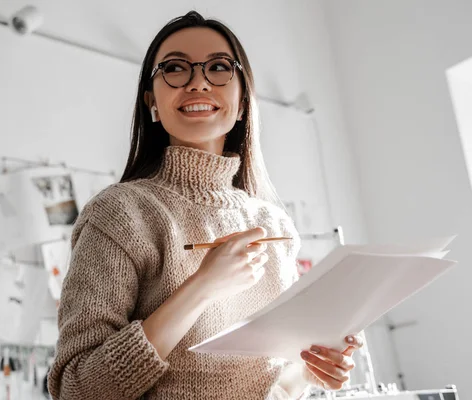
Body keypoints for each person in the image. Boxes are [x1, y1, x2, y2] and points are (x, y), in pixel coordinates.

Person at [48, 10, 363, 400]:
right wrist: (202, 287)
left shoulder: (273, 223)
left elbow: (275, 380)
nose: (198, 82)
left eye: (217, 67)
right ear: (153, 103)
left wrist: (314, 368)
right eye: (176, 68)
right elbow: (77, 389)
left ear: (243, 101)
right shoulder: (119, 214)